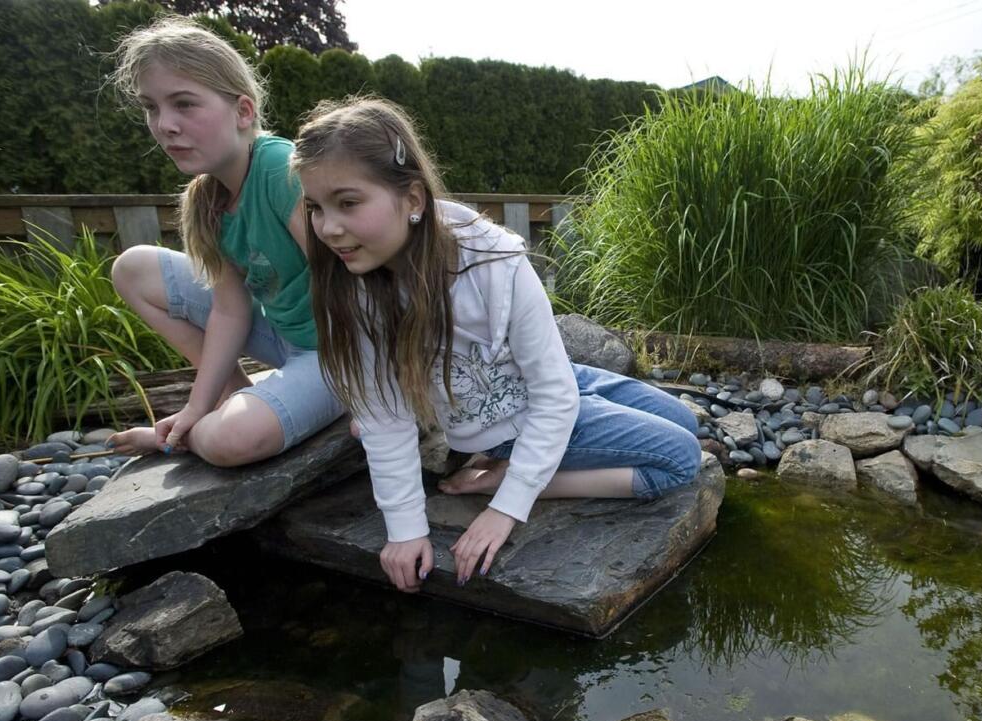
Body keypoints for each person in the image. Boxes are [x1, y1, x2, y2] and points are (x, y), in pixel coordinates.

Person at [291, 97, 702, 593]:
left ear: (414, 200)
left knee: (684, 420)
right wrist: (408, 528)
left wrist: (509, 501)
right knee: (680, 459)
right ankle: (502, 471)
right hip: (500, 417)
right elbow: (384, 416)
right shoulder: (355, 287)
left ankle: (504, 476)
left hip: (550, 388)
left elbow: (554, 391)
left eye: (348, 203)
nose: (328, 227)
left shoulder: (493, 259)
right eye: (316, 207)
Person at [104, 17, 344, 464]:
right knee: (133, 268)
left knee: (228, 441)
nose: (165, 125)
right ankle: (229, 398)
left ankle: (189, 435)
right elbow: (230, 309)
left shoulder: (280, 168)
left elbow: (348, 281)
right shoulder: (206, 198)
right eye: (151, 107)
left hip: (339, 351)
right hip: (285, 335)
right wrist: (197, 404)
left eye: (184, 104)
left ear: (243, 111)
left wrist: (386, 396)